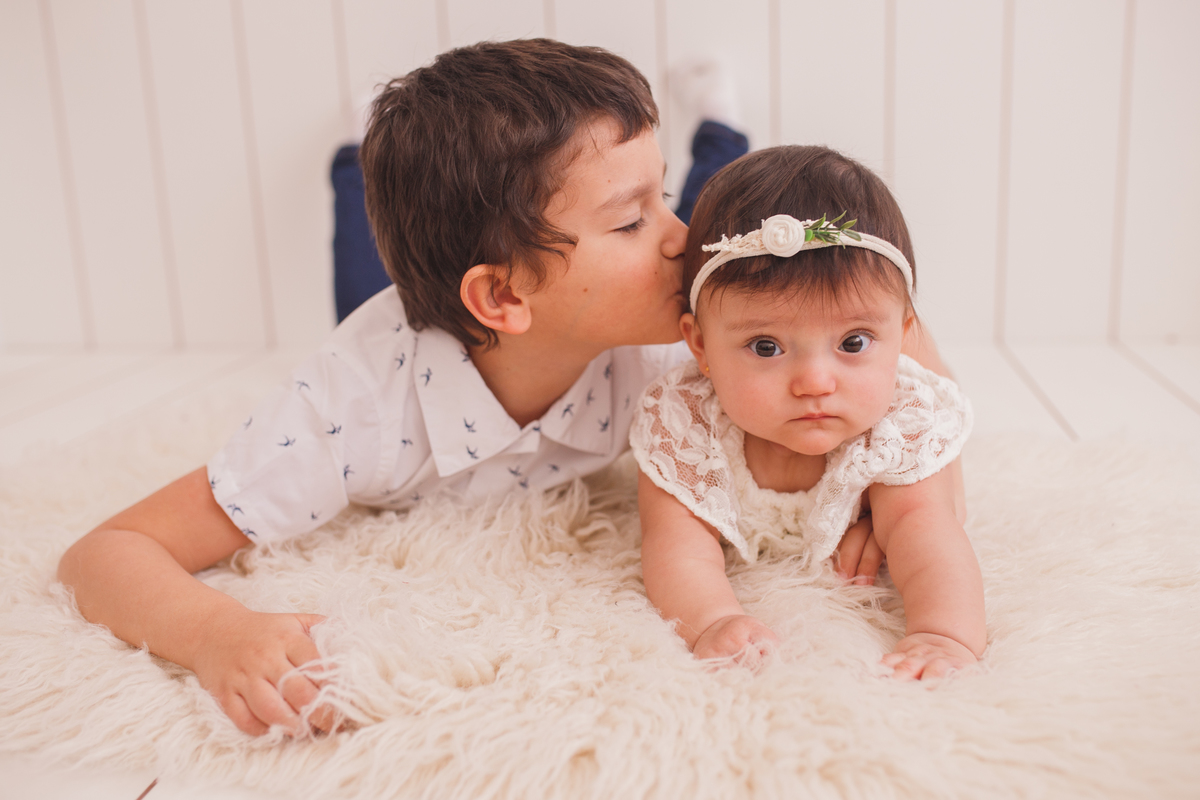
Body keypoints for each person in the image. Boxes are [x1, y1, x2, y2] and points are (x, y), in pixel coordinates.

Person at [55, 41, 958, 738]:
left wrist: (887, 483)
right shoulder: (346, 415)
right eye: (634, 220)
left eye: (664, 199)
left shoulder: (673, 328)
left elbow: (894, 331)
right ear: (503, 295)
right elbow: (106, 552)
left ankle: (717, 121)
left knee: (742, 220)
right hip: (411, 336)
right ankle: (351, 155)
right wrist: (216, 635)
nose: (682, 241)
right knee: (355, 260)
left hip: (483, 302)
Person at [632, 145, 985, 679]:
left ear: (903, 333)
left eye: (854, 341)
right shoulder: (685, 424)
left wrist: (944, 633)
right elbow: (674, 544)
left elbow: (928, 528)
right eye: (767, 347)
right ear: (700, 346)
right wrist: (711, 619)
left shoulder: (895, 421)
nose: (816, 383)